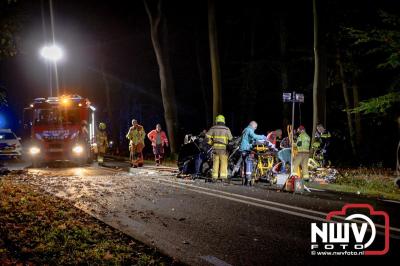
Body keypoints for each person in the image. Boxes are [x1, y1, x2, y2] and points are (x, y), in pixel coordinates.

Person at [206, 115, 233, 182]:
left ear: (217, 120)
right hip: (223, 149)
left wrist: (211, 143)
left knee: (215, 162)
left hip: (215, 148)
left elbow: (207, 137)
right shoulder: (226, 129)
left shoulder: (213, 128)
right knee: (223, 162)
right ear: (223, 121)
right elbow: (231, 138)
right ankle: (223, 177)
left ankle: (214, 177)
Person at [239, 121, 266, 185]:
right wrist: (262, 137)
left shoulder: (245, 130)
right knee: (249, 162)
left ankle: (245, 179)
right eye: (255, 127)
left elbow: (248, 139)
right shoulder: (249, 130)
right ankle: (248, 179)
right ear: (253, 126)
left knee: (245, 163)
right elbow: (254, 136)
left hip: (243, 148)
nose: (255, 129)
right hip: (246, 148)